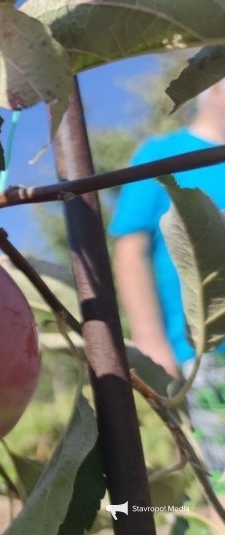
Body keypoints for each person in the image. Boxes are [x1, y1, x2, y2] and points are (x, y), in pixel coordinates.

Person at [109, 76, 225, 482]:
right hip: (204, 351)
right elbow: (131, 248)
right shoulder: (163, 155)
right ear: (213, 85)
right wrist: (150, 338)